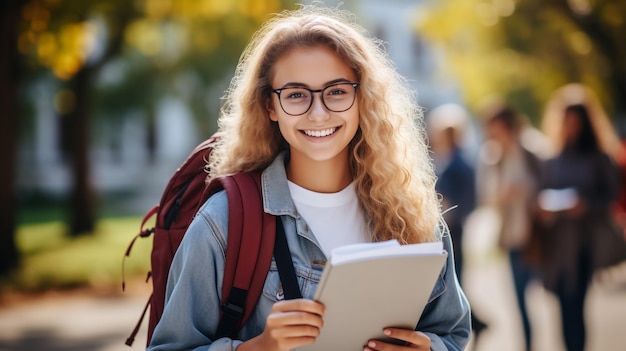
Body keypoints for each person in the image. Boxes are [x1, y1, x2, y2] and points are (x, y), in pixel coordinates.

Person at [147, 5, 471, 351]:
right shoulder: (222, 223)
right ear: (269, 106)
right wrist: (258, 348)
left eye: (336, 91)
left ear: (363, 98)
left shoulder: (413, 216)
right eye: (296, 95)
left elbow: (453, 334)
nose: (318, 113)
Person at [536, 84, 623, 351]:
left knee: (576, 304)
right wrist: (545, 208)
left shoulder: (598, 157)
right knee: (561, 304)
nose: (571, 126)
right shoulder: (553, 158)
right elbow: (542, 191)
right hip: (557, 245)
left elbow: (612, 194)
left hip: (586, 242)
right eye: (567, 121)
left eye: (576, 121)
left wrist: (587, 205)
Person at [475, 103, 541, 351]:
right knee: (520, 299)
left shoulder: (531, 151)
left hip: (536, 235)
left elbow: (543, 184)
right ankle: (529, 345)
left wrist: (527, 192)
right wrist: (506, 194)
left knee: (547, 294)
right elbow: (486, 197)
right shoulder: (491, 157)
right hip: (511, 236)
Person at [427, 103, 488, 341]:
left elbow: (466, 201)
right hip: (448, 228)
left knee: (453, 284)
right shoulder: (447, 159)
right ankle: (479, 324)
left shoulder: (459, 163)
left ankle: (477, 324)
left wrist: (446, 208)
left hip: (453, 230)